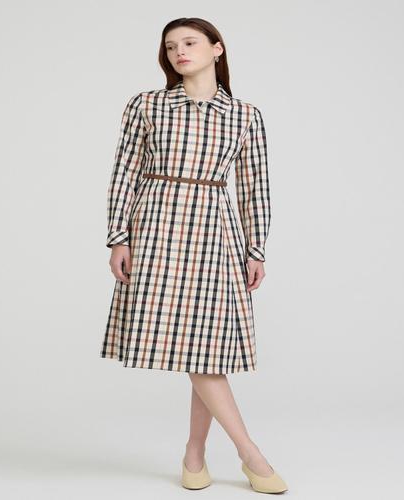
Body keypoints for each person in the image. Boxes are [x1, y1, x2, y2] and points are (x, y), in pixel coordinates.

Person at [100, 17, 288, 494]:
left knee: (207, 346)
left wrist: (256, 248)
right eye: (170, 46)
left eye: (189, 42)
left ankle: (194, 455)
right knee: (198, 348)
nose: (179, 52)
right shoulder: (147, 105)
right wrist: (119, 237)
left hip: (215, 232)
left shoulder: (244, 115)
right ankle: (250, 454)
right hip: (156, 228)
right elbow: (124, 172)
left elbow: (255, 186)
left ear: (216, 49)